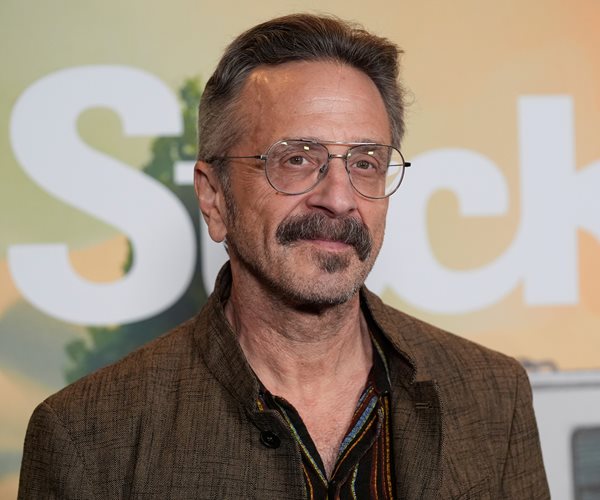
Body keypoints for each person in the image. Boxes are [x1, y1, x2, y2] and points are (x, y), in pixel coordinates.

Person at [18, 13, 550, 499]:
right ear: (214, 197)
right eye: (296, 159)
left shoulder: (492, 396)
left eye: (365, 163)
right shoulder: (88, 436)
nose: (339, 198)